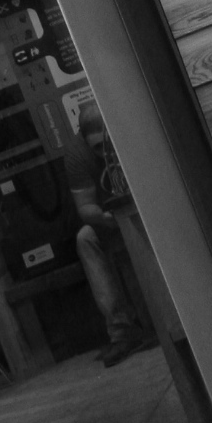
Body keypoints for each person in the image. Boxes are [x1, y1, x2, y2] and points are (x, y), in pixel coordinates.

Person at [62, 98, 152, 367]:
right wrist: (104, 218)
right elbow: (85, 207)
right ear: (83, 139)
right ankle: (123, 333)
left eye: (107, 143)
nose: (104, 152)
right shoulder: (76, 153)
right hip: (111, 220)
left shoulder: (131, 130)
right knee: (85, 238)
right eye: (97, 147)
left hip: (148, 211)